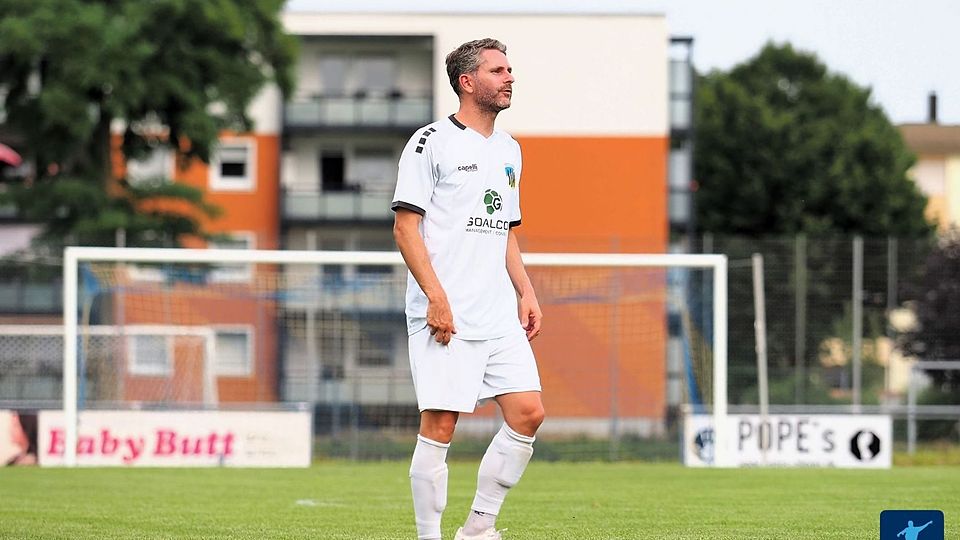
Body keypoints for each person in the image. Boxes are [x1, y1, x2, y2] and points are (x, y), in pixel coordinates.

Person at [392, 38, 545, 540]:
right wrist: (436, 298)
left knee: (529, 413)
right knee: (441, 428)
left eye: (509, 69)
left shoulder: (510, 150)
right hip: (447, 313)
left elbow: (505, 230)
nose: (510, 78)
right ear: (467, 82)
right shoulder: (429, 141)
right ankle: (428, 536)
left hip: (498, 312)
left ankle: (479, 526)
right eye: (498, 70)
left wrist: (525, 289)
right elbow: (405, 228)